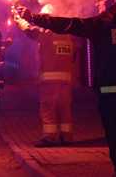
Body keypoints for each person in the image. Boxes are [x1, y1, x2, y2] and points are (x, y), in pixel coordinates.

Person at [14, 0, 116, 176]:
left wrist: (32, 17)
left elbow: (69, 24)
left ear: (112, 0)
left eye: (99, 1)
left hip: (113, 97)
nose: (97, 5)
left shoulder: (101, 24)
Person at [15, 17, 76, 147]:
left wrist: (19, 20)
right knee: (64, 108)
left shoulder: (47, 34)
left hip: (50, 82)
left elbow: (29, 30)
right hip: (66, 81)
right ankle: (67, 137)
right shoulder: (68, 36)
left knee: (48, 109)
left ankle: (50, 137)